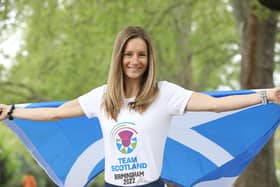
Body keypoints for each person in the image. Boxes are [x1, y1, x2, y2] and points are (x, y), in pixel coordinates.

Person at [1, 26, 280, 187]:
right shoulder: (102, 97)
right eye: (129, 54)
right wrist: (11, 111)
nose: (135, 61)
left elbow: (214, 106)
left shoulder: (165, 93)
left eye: (141, 54)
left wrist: (267, 95)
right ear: (119, 58)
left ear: (149, 59)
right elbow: (55, 113)